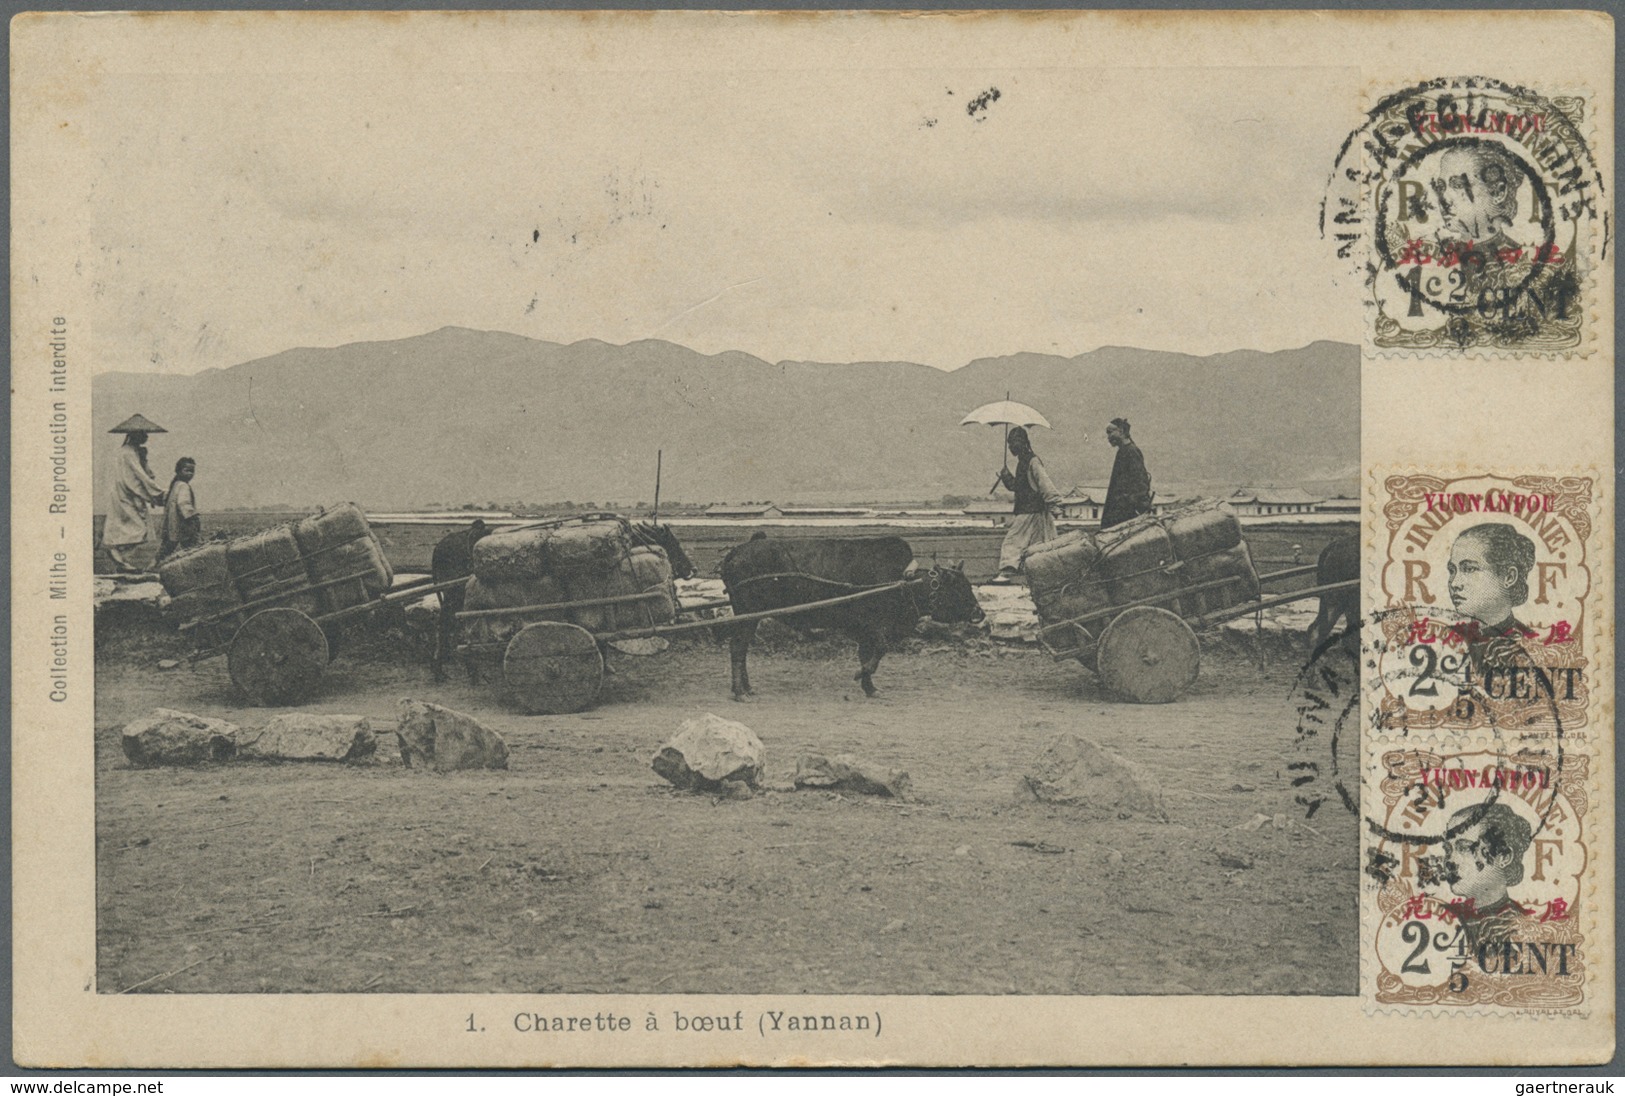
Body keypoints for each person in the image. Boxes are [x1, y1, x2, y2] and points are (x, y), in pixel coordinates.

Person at [1439, 801, 1534, 950]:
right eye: (1448, 849)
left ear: (1503, 856)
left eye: (1464, 848)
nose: (1450, 861)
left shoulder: (1527, 927)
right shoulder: (1439, 917)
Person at [1446, 522, 1537, 669]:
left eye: (1469, 569)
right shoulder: (1443, 639)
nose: (1454, 583)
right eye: (1452, 571)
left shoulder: (1535, 646)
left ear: (1508, 577)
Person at [993, 426, 1062, 582]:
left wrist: (1054, 503)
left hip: (1030, 511)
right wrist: (1006, 476)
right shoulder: (1023, 462)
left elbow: (1044, 483)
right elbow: (1018, 487)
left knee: (1012, 542)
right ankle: (1048, 576)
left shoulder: (1033, 461)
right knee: (1042, 544)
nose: (1011, 446)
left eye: (1014, 442)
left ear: (1024, 442)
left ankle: (1006, 573)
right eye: (1009, 443)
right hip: (1033, 511)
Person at [102, 427, 167, 572]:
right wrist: (157, 494)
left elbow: (144, 473)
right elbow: (137, 477)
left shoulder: (130, 452)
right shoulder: (128, 453)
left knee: (132, 530)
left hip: (125, 493)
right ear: (135, 435)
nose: (146, 437)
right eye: (143, 434)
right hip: (125, 494)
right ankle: (117, 555)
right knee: (139, 529)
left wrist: (144, 458)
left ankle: (121, 561)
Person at [1101, 417, 1153, 529]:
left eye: (1110, 433)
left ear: (1121, 431)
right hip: (1119, 512)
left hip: (1126, 514)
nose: (1108, 437)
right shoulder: (1123, 451)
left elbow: (1141, 483)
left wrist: (1138, 507)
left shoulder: (1131, 451)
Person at [158, 457, 201, 562]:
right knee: (193, 550)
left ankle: (152, 567)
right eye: (187, 470)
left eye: (192, 471)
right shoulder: (183, 486)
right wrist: (193, 517)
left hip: (173, 525)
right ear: (178, 471)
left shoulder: (175, 485)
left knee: (166, 549)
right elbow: (183, 503)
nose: (190, 474)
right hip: (184, 524)